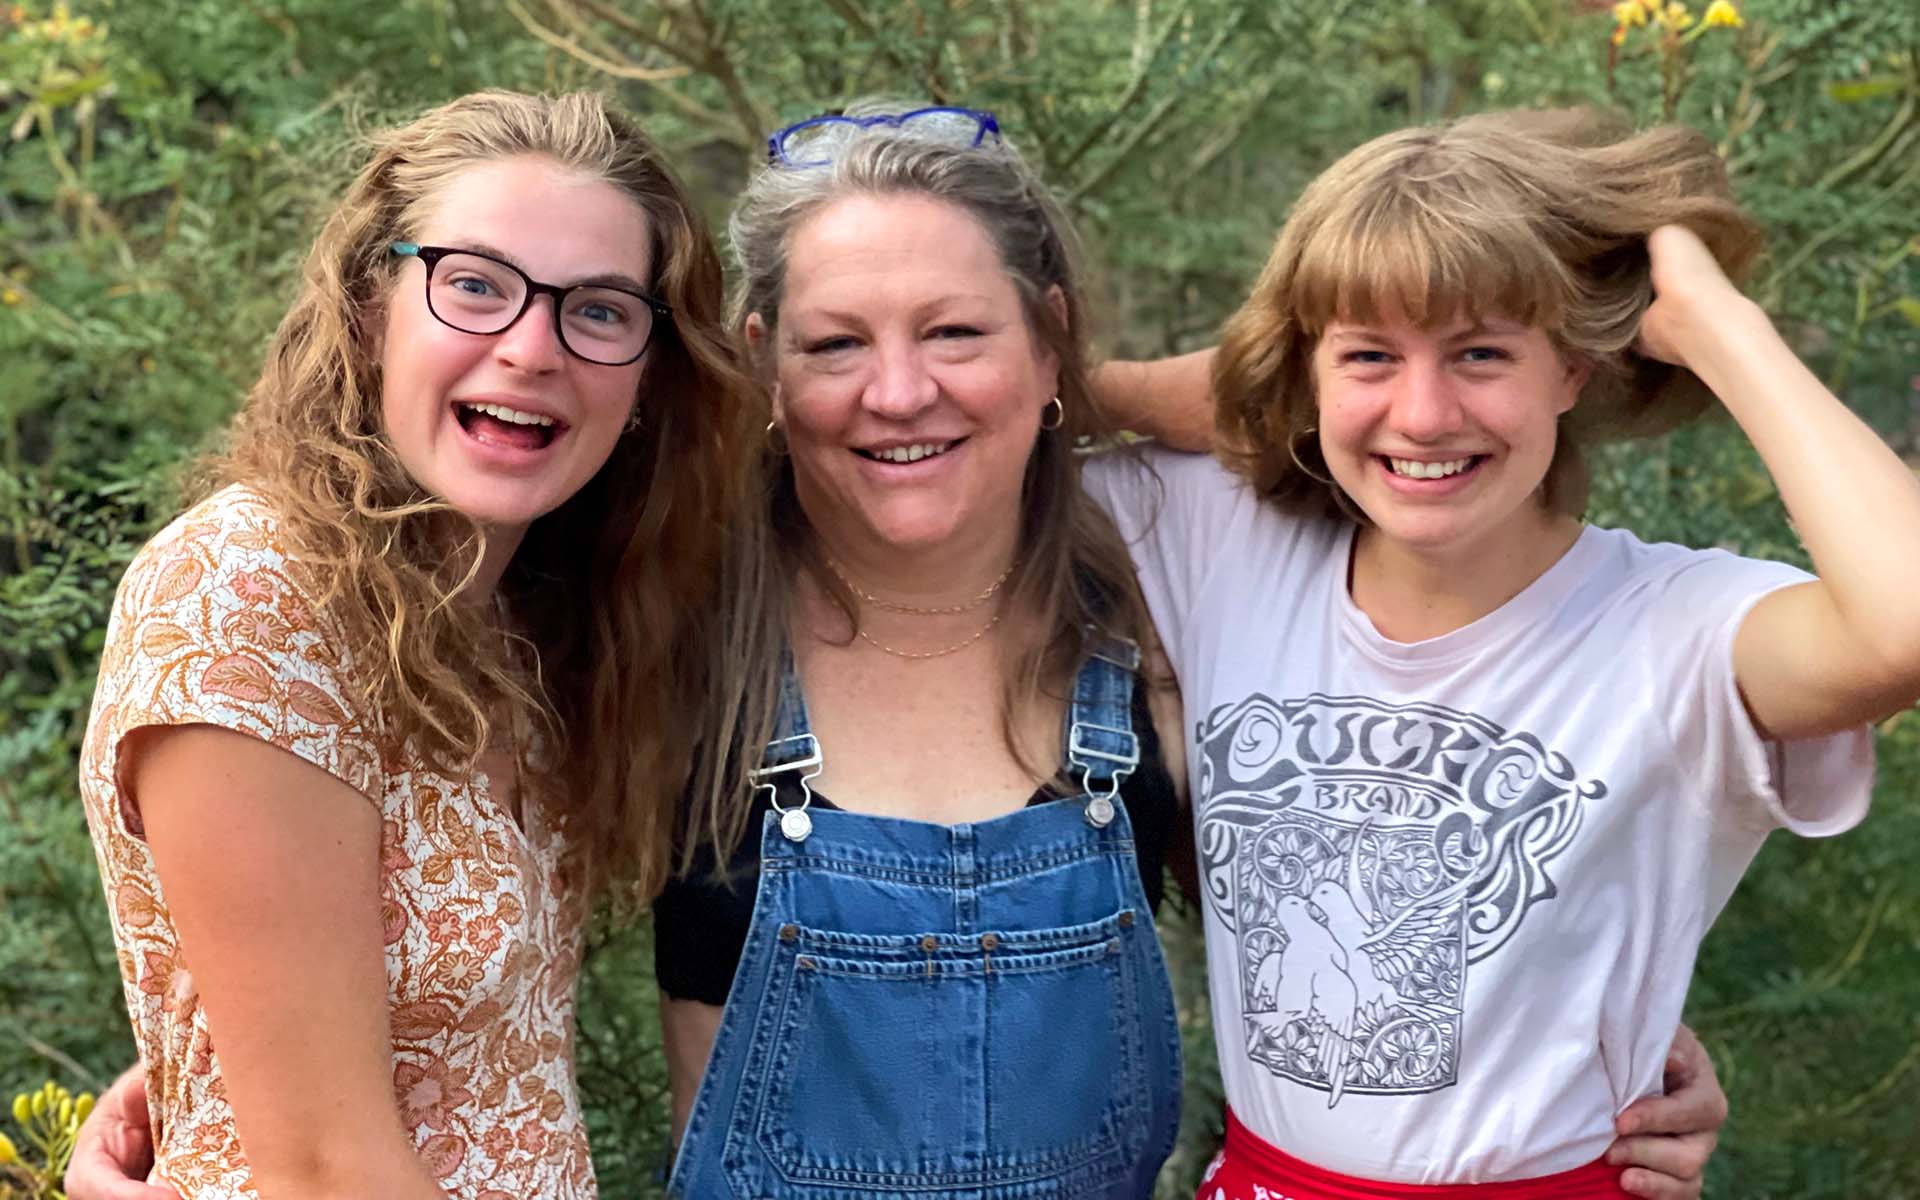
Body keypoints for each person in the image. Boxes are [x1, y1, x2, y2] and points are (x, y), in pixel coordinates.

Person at [66, 102, 1733, 1200]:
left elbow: (1380, 879)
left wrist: (1585, 1055)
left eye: (958, 334)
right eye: (837, 344)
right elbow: (335, 947)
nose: (900, 393)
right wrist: (213, 1065)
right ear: (749, 367)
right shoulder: (657, 602)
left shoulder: (1170, 591)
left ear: (1053, 344)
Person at [1082, 109, 1907, 1197]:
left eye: (1481, 353)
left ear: (1575, 367)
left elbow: (1903, 627)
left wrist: (1717, 324)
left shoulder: (1677, 629)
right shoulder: (1222, 541)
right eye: (1370, 354)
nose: (1424, 415)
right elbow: (961, 430)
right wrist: (1205, 383)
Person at [71, 89, 756, 1198]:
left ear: (645, 377)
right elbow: (326, 1170)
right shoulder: (252, 597)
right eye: (475, 285)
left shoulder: (525, 610)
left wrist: (202, 1050)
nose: (532, 347)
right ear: (368, 308)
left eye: (598, 309)